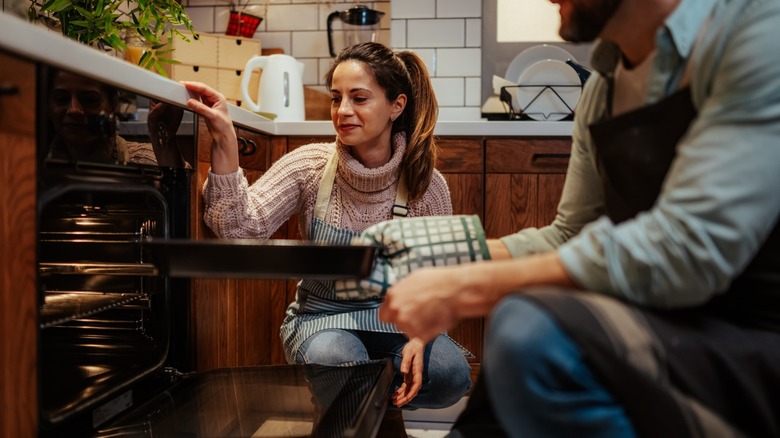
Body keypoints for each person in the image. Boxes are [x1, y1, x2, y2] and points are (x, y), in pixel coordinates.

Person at [372, 0, 780, 436]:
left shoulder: (758, 34)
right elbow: (571, 234)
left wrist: (467, 288)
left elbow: (685, 246)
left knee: (529, 331)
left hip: (747, 343)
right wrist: (434, 253)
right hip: (656, 323)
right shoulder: (603, 85)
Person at [182, 42, 472, 412]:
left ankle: (358, 405)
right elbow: (239, 227)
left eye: (359, 98)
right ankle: (356, 400)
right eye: (336, 98)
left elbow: (442, 282)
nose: (343, 111)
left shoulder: (427, 185)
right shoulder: (310, 166)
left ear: (396, 106)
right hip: (322, 320)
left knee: (450, 375)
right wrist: (224, 137)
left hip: (399, 325)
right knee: (340, 362)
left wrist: (424, 336)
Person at [46, 68, 187, 167]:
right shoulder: (31, 163)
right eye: (61, 98)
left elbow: (184, 200)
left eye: (89, 100)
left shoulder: (146, 160)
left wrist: (165, 145)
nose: (74, 110)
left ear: (113, 104)